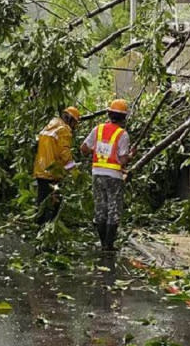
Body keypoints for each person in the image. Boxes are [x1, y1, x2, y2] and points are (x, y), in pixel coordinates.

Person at [80, 99, 134, 251]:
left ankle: (103, 242)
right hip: (114, 176)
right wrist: (131, 155)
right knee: (113, 209)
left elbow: (83, 149)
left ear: (109, 114)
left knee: (100, 208)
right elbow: (123, 160)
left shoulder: (98, 129)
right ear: (123, 118)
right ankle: (108, 245)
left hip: (97, 173)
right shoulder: (122, 134)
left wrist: (97, 151)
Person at [33, 106, 81, 224]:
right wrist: (74, 171)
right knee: (55, 199)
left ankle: (39, 223)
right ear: (71, 120)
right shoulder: (64, 130)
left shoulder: (51, 124)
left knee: (42, 199)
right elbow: (64, 153)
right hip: (53, 171)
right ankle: (50, 224)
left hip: (40, 168)